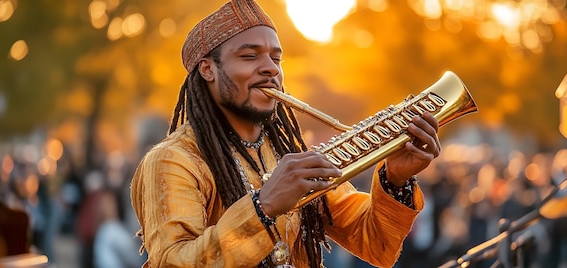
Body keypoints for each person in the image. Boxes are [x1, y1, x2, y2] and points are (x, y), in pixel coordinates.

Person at [129, 0, 441, 267]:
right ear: (208, 69)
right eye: (250, 56)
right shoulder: (173, 160)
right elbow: (173, 260)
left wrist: (395, 179)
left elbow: (375, 246)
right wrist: (262, 207)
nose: (271, 69)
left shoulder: (287, 152)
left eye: (276, 59)